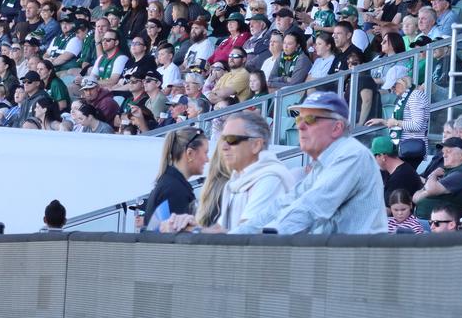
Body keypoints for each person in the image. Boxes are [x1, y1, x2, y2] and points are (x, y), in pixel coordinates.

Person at [225, 92, 385, 235]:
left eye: (310, 119)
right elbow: (284, 204)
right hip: (339, 260)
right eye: (299, 118)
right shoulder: (324, 163)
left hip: (359, 264)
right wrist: (236, 235)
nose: (299, 126)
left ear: (337, 128)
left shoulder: (351, 154)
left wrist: (269, 236)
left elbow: (312, 207)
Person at [143, 128, 207, 230]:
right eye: (205, 152)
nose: (207, 159)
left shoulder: (170, 185)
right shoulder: (175, 190)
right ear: (190, 154)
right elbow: (179, 240)